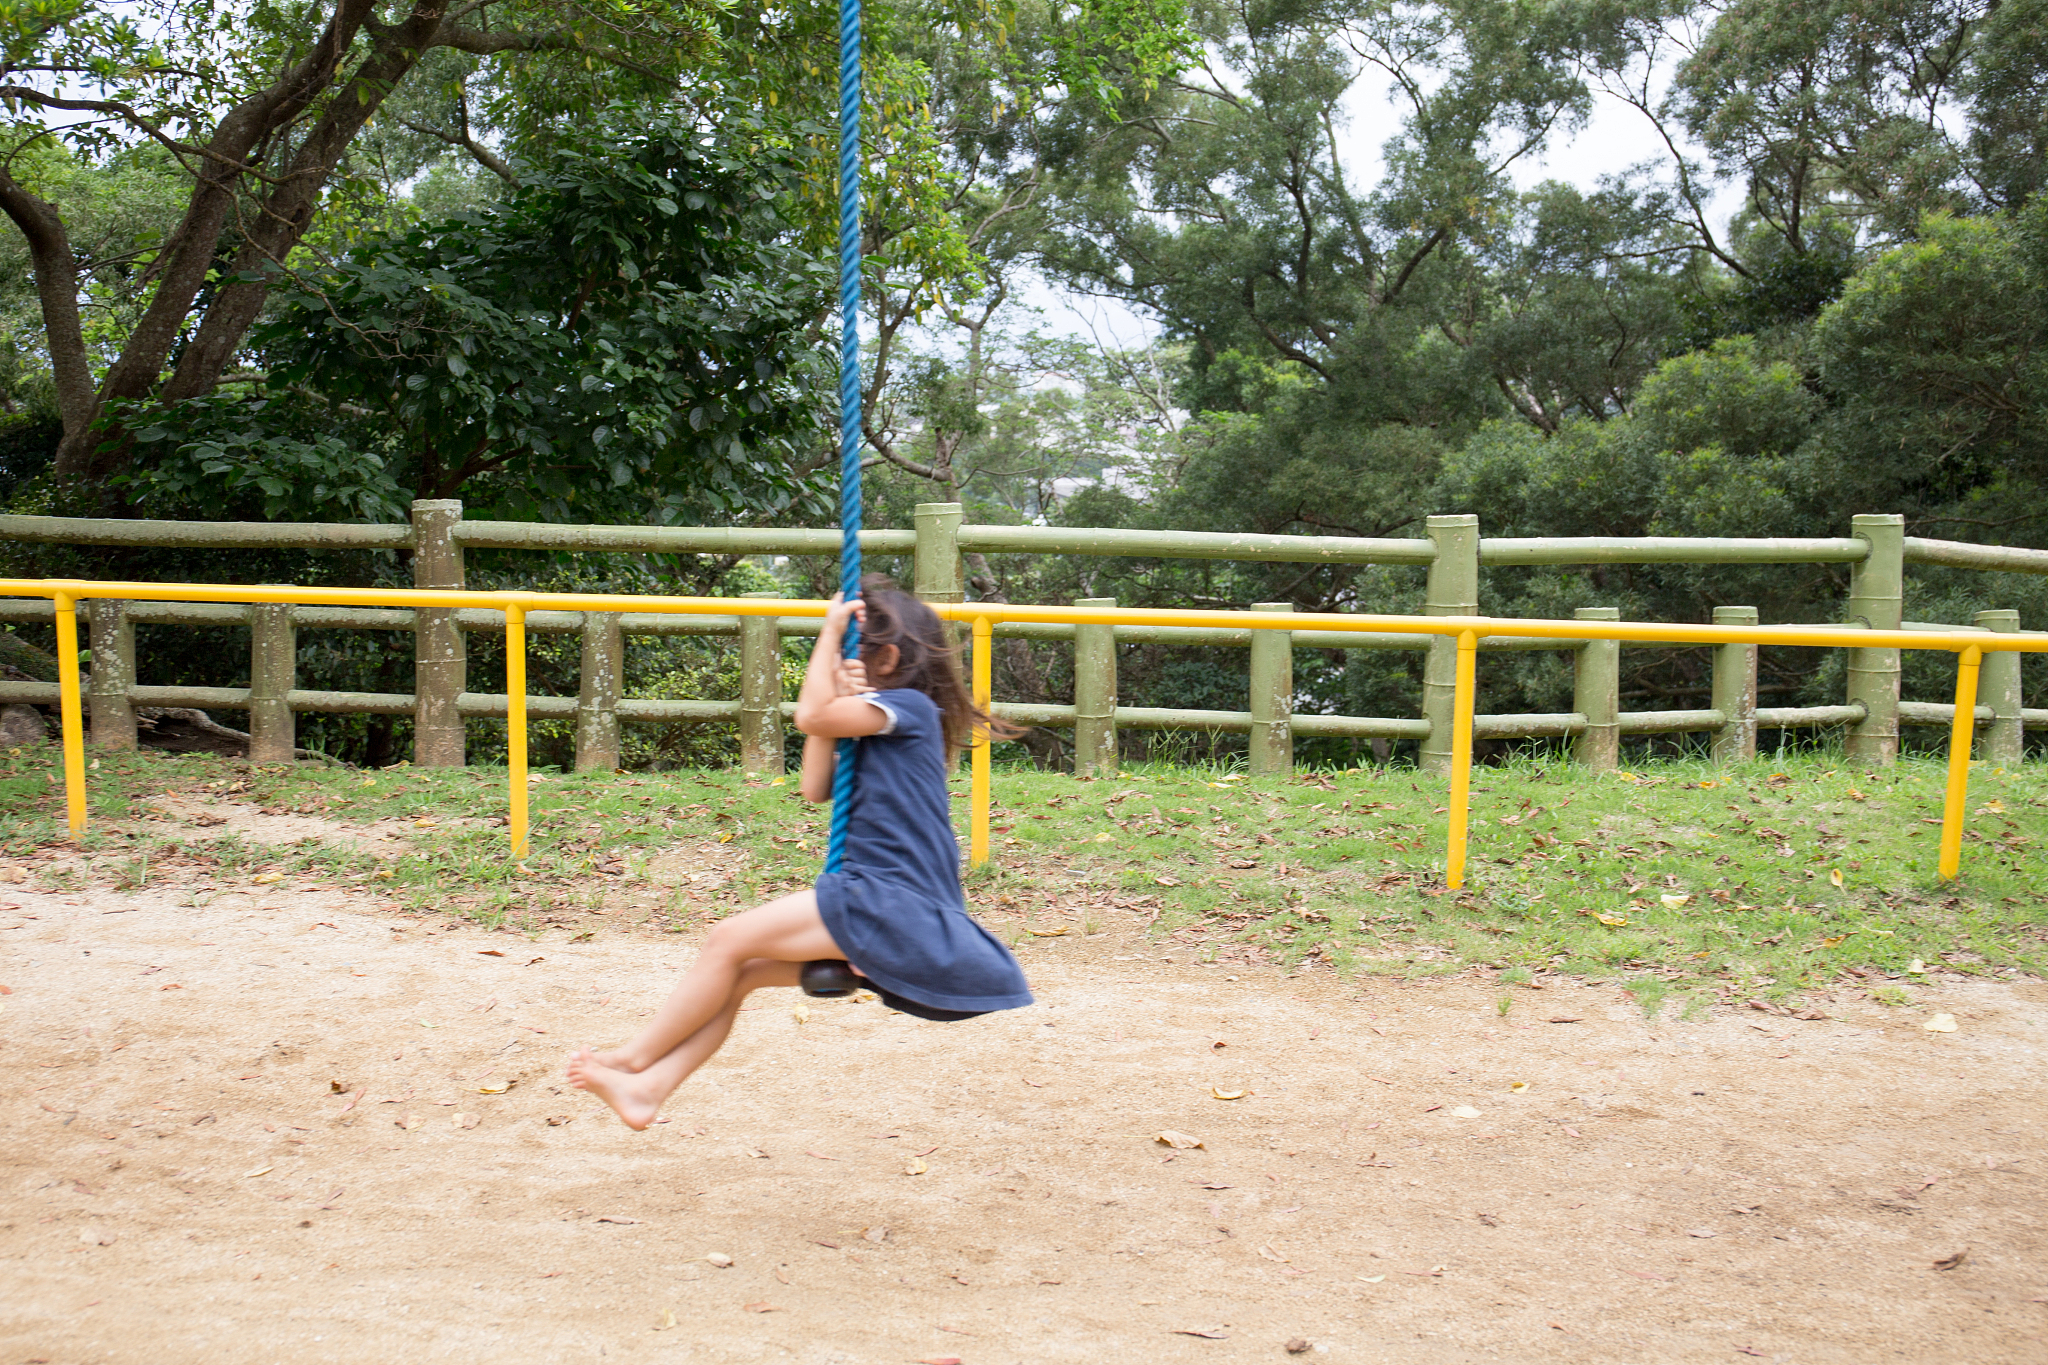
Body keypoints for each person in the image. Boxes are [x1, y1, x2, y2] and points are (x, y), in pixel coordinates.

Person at [567, 575, 1033, 1130]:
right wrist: (839, 697)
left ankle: (634, 1057)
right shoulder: (878, 722)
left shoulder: (909, 708)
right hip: (883, 898)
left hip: (892, 901)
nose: (833, 656)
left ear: (883, 659)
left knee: (728, 938)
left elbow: (810, 716)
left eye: (843, 650)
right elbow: (816, 783)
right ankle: (648, 1089)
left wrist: (830, 632)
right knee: (741, 971)